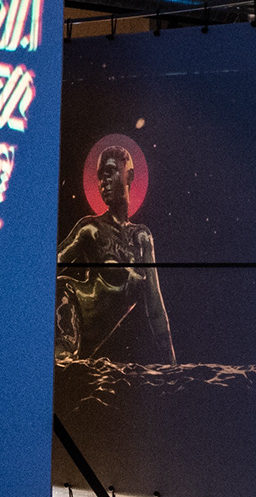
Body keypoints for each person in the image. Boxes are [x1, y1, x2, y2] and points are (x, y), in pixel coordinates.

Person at [57, 138, 175, 362]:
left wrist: (172, 365)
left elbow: (155, 308)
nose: (104, 182)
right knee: (65, 357)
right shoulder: (90, 228)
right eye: (100, 176)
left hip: (88, 346)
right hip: (68, 310)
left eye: (110, 172)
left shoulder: (142, 237)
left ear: (129, 175)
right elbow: (47, 271)